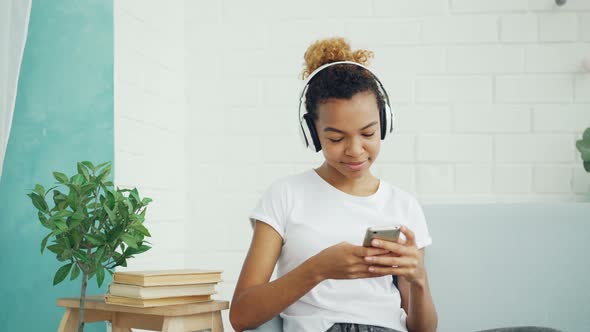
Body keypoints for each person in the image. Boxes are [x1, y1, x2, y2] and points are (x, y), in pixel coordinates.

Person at [230, 37, 437, 332]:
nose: (355, 150)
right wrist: (318, 269)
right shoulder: (285, 195)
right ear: (312, 134)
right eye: (336, 138)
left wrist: (419, 281)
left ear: (385, 122)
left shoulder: (404, 205)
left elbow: (424, 329)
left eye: (368, 133)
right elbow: (241, 315)